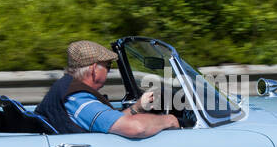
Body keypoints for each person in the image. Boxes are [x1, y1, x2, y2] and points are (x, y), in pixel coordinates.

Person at [35, 40, 179, 138]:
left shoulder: (68, 89)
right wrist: (168, 120)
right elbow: (136, 127)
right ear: (93, 69)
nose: (109, 71)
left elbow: (108, 121)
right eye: (108, 66)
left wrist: (137, 107)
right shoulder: (78, 100)